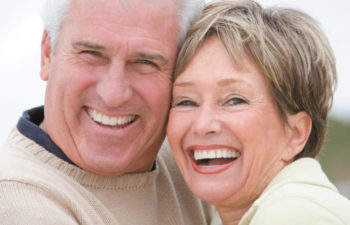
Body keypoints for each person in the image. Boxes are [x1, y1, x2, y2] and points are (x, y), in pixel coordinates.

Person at [0, 0, 215, 224]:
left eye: (144, 62)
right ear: (47, 53)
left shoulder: (196, 160)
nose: (113, 95)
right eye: (92, 53)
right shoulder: (17, 201)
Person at [167, 0, 350, 224]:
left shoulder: (293, 213)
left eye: (235, 100)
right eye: (186, 101)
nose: (202, 125)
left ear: (295, 133)